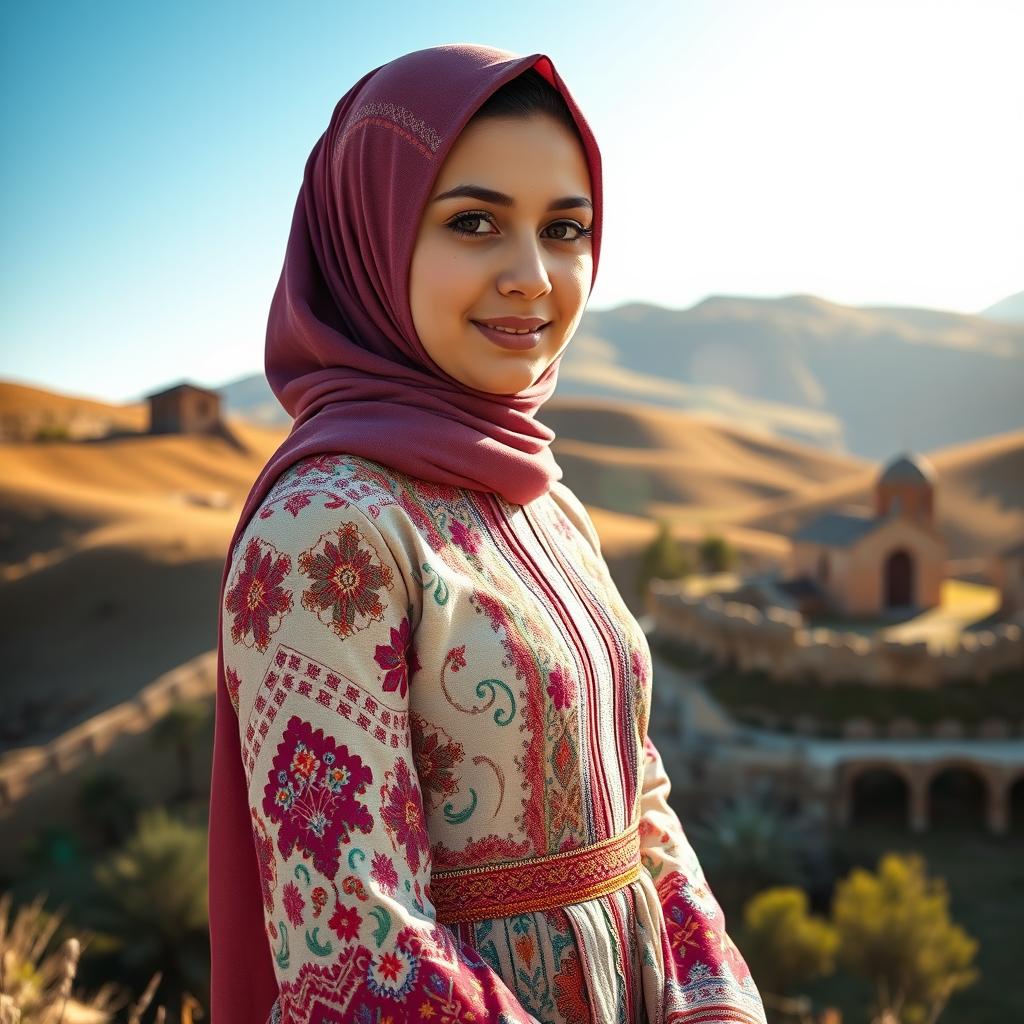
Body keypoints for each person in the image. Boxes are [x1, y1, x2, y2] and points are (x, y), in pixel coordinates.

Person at [208, 42, 768, 1024]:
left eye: (565, 228)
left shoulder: (546, 503)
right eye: (474, 222)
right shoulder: (325, 528)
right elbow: (357, 941)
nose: (532, 276)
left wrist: (715, 1002)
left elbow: (642, 805)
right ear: (370, 236)